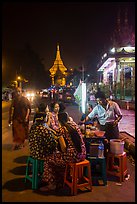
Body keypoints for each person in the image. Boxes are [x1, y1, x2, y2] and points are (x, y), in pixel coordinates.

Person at [40, 112, 86, 192]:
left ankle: (52, 184)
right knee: (59, 158)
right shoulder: (74, 125)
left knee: (48, 159)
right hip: (82, 154)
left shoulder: (62, 130)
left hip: (73, 157)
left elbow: (64, 148)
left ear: (59, 121)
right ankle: (62, 180)